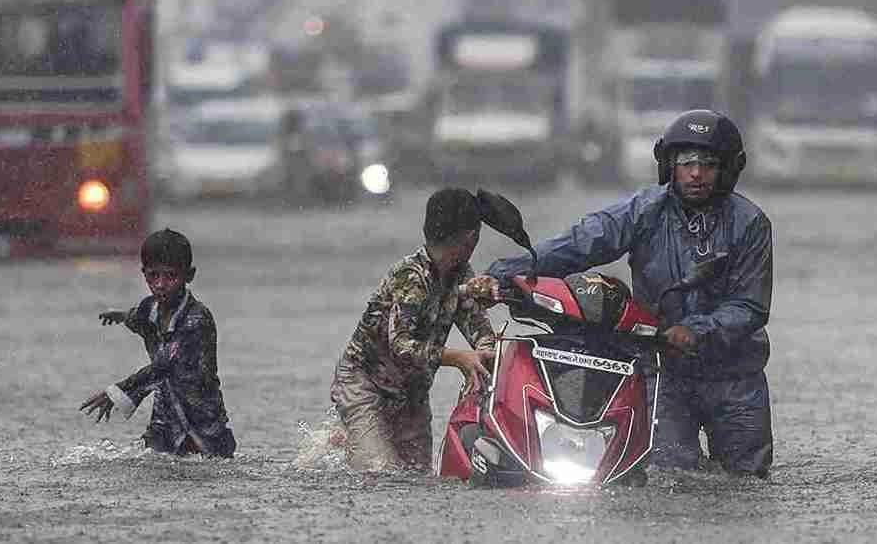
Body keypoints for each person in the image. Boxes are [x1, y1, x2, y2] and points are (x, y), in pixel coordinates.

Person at [484, 110, 774, 477]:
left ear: (729, 169)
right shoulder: (644, 211)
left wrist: (697, 330)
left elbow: (750, 305)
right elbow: (581, 243)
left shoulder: (751, 224)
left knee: (748, 484)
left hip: (736, 378)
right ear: (669, 165)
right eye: (686, 163)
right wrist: (503, 273)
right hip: (665, 372)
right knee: (668, 477)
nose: (696, 173)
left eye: (709, 164)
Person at [330, 187, 497, 472]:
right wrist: (458, 358)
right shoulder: (411, 277)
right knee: (380, 473)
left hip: (411, 394)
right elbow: (401, 346)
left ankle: (356, 439)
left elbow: (479, 329)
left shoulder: (461, 277)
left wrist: (486, 353)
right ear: (471, 238)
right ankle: (349, 437)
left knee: (416, 477)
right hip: (364, 383)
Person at [80, 228, 237, 458]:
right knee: (151, 464)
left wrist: (117, 392)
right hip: (166, 418)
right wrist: (121, 316)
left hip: (202, 419)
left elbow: (164, 366)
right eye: (153, 276)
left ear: (189, 275)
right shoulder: (149, 307)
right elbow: (137, 318)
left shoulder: (197, 319)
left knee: (211, 467)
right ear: (144, 274)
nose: (161, 284)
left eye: (170, 276)